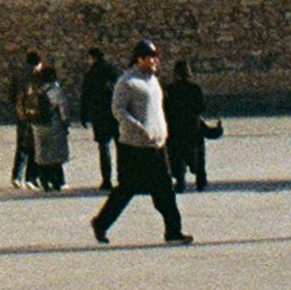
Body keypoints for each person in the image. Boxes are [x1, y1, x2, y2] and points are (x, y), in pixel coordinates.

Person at [90, 40, 190, 244]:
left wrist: (162, 131)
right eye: (151, 57)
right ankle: (101, 223)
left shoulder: (153, 81)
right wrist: (139, 129)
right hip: (134, 146)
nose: (155, 61)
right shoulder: (127, 82)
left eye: (156, 57)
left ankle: (173, 231)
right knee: (127, 189)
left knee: (165, 190)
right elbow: (118, 110)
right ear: (139, 59)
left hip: (156, 145)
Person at [165, 53, 210, 193]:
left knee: (177, 156)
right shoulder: (195, 88)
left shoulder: (170, 90)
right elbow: (201, 106)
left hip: (176, 127)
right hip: (193, 127)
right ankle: (201, 181)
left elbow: (165, 107)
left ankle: (180, 181)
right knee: (197, 155)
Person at [77, 47, 118, 191]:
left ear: (93, 58)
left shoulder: (91, 74)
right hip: (115, 114)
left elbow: (85, 96)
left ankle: (107, 179)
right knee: (120, 147)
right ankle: (123, 177)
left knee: (104, 147)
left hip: (99, 115)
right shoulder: (113, 71)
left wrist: (83, 115)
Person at [31, 60, 71, 194]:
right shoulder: (55, 90)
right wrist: (66, 122)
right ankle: (58, 181)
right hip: (53, 124)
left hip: (37, 124)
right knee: (56, 154)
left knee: (43, 153)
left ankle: (44, 180)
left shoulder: (35, 89)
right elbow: (63, 109)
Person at [10, 50, 44, 189]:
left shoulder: (18, 76)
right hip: (35, 116)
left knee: (22, 146)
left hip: (21, 115)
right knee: (35, 147)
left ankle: (17, 176)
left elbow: (11, 94)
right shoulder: (38, 77)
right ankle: (31, 177)